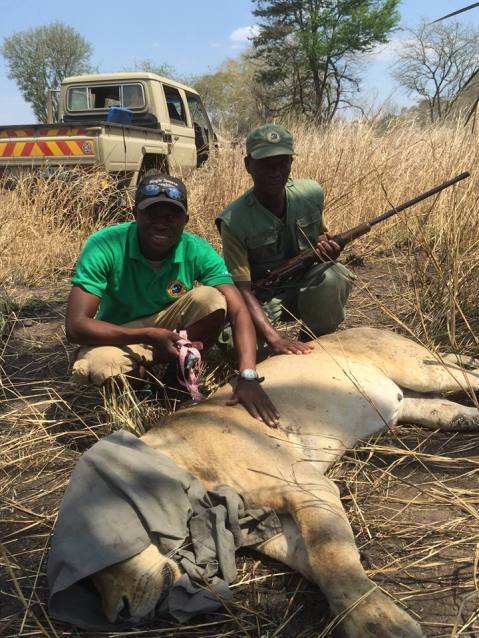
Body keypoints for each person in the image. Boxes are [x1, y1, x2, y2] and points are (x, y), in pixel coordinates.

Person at [65, 171, 279, 427]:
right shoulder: (105, 244)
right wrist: (147, 335)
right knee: (101, 365)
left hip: (169, 327)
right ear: (135, 214)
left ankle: (176, 377)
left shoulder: (196, 249)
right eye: (152, 213)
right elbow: (75, 326)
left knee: (212, 299)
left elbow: (238, 309)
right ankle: (141, 380)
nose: (161, 222)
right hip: (122, 330)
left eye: (172, 215)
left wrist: (247, 376)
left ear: (185, 219)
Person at [216, 124, 354, 357]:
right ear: (248, 165)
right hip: (263, 298)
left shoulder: (310, 193)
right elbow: (243, 290)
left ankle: (313, 343)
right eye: (266, 164)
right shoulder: (233, 220)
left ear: (291, 162)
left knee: (335, 275)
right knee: (233, 345)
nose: (275, 171)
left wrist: (328, 250)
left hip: (305, 284)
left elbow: (319, 237)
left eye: (282, 162)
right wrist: (275, 339)